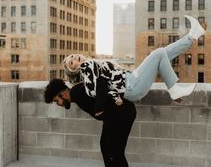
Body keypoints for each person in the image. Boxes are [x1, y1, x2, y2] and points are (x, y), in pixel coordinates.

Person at [63, 15, 207, 104]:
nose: (74, 58)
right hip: (131, 86)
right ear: (74, 70)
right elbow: (96, 91)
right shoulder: (87, 70)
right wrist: (115, 98)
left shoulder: (91, 67)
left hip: (132, 80)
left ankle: (192, 35)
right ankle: (175, 89)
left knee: (161, 54)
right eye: (71, 62)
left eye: (72, 56)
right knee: (158, 53)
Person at [44, 76, 137, 167]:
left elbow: (102, 80)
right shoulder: (77, 93)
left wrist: (99, 106)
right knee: (105, 146)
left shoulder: (77, 92)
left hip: (123, 113)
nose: (58, 104)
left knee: (116, 152)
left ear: (63, 94)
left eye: (56, 100)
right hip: (112, 116)